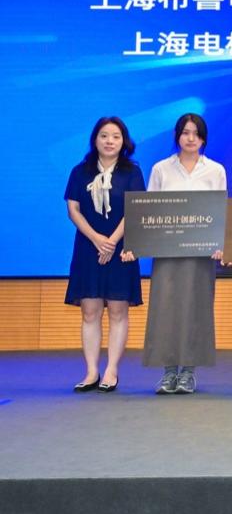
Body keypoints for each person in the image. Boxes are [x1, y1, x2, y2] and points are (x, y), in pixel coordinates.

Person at [133, 114, 227, 395]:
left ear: (203, 138)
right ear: (177, 136)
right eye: (185, 132)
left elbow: (220, 211)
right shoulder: (161, 169)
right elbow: (150, 210)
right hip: (167, 253)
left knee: (196, 308)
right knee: (165, 309)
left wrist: (220, 244)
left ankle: (188, 372)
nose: (190, 138)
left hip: (201, 254)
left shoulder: (215, 170)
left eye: (196, 133)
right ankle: (168, 372)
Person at [64, 116, 144, 393]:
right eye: (104, 136)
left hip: (122, 248)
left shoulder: (132, 172)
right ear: (95, 139)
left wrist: (111, 242)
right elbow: (73, 209)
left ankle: (111, 370)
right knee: (90, 312)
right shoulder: (80, 171)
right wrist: (97, 239)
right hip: (88, 247)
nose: (110, 141)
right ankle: (91, 371)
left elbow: (135, 209)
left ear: (124, 141)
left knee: (118, 310)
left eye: (116, 136)